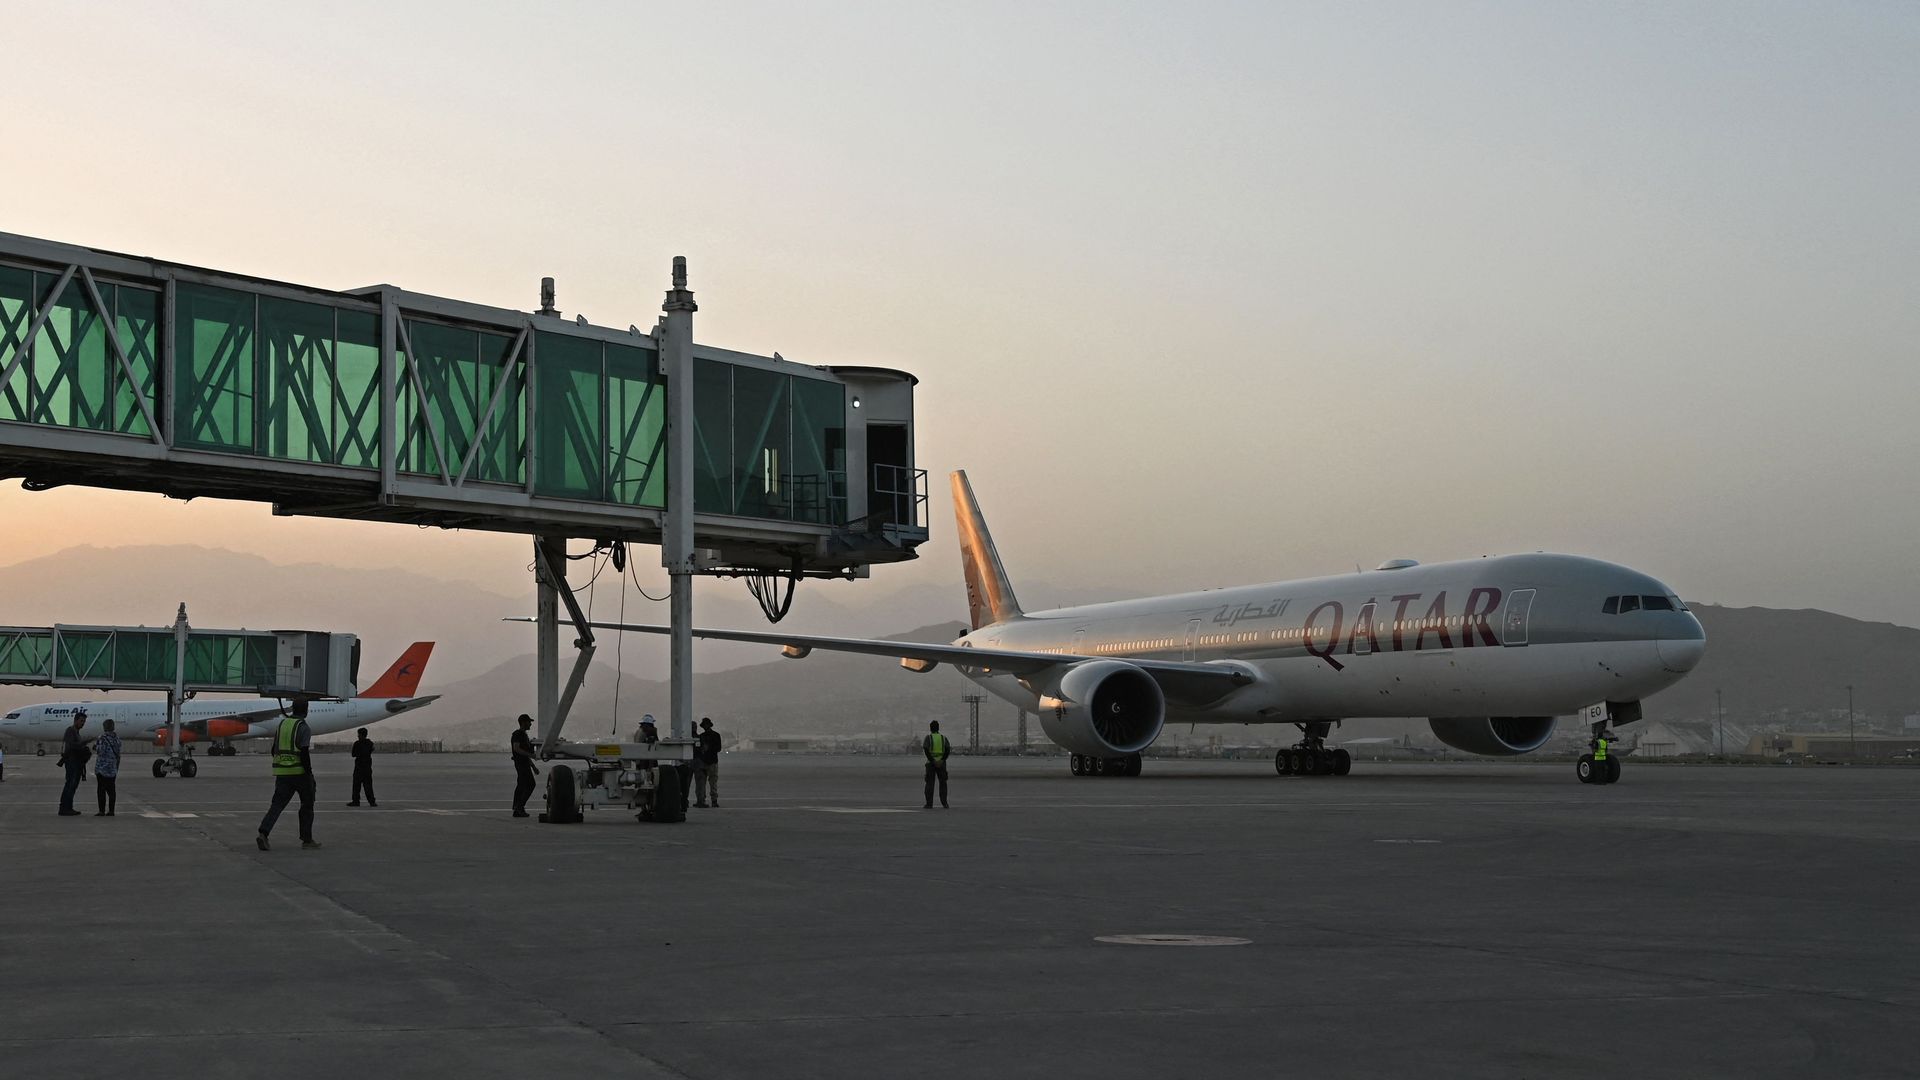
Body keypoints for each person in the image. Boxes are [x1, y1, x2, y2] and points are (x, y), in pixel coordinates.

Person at [256, 704, 319, 851]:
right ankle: (307, 840)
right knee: (307, 805)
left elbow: (274, 750)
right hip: (300, 774)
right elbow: (304, 752)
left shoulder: (282, 724)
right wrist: (308, 773)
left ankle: (263, 833)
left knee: (277, 805)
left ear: (293, 709)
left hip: (283, 774)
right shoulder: (303, 727)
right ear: (306, 710)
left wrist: (283, 763)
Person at [57, 710, 90, 816]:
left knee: (73, 785)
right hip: (72, 762)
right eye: (81, 721)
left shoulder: (76, 732)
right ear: (75, 720)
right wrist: (84, 743)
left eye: (84, 721)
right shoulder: (70, 731)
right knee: (70, 785)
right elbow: (71, 745)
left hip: (76, 762)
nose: (83, 723)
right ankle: (64, 808)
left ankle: (68, 807)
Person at [511, 714, 540, 818]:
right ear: (523, 722)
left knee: (521, 785)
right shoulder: (518, 734)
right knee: (530, 784)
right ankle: (519, 807)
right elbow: (517, 748)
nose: (530, 724)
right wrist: (531, 755)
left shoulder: (523, 735)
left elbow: (524, 753)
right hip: (521, 764)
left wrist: (533, 767)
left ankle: (517, 807)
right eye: (529, 722)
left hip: (524, 764)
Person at [94, 718, 122, 817]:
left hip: (102, 768)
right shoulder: (117, 739)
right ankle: (111, 811)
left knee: (101, 790)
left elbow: (100, 751)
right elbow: (118, 753)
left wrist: (95, 747)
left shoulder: (102, 738)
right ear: (113, 727)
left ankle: (101, 811)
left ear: (104, 727)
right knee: (111, 791)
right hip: (112, 769)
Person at [693, 717, 722, 808]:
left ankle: (704, 800)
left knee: (704, 783)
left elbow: (718, 748)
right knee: (711, 782)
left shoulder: (702, 736)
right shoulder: (715, 735)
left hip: (706, 761)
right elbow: (718, 748)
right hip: (711, 761)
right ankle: (712, 800)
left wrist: (707, 749)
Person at [923, 720, 951, 809]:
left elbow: (926, 750)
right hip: (942, 764)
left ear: (930, 728)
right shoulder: (943, 738)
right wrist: (942, 760)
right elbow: (947, 750)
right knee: (943, 783)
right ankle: (944, 803)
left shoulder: (928, 738)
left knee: (929, 784)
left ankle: (929, 804)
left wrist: (933, 760)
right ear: (938, 728)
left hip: (931, 764)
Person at [348, 728, 377, 807]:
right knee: (368, 786)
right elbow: (372, 749)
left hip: (359, 767)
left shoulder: (357, 743)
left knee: (356, 786)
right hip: (367, 767)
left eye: (358, 734)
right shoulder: (370, 743)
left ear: (360, 734)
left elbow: (353, 754)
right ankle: (372, 802)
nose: (358, 736)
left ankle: (356, 801)